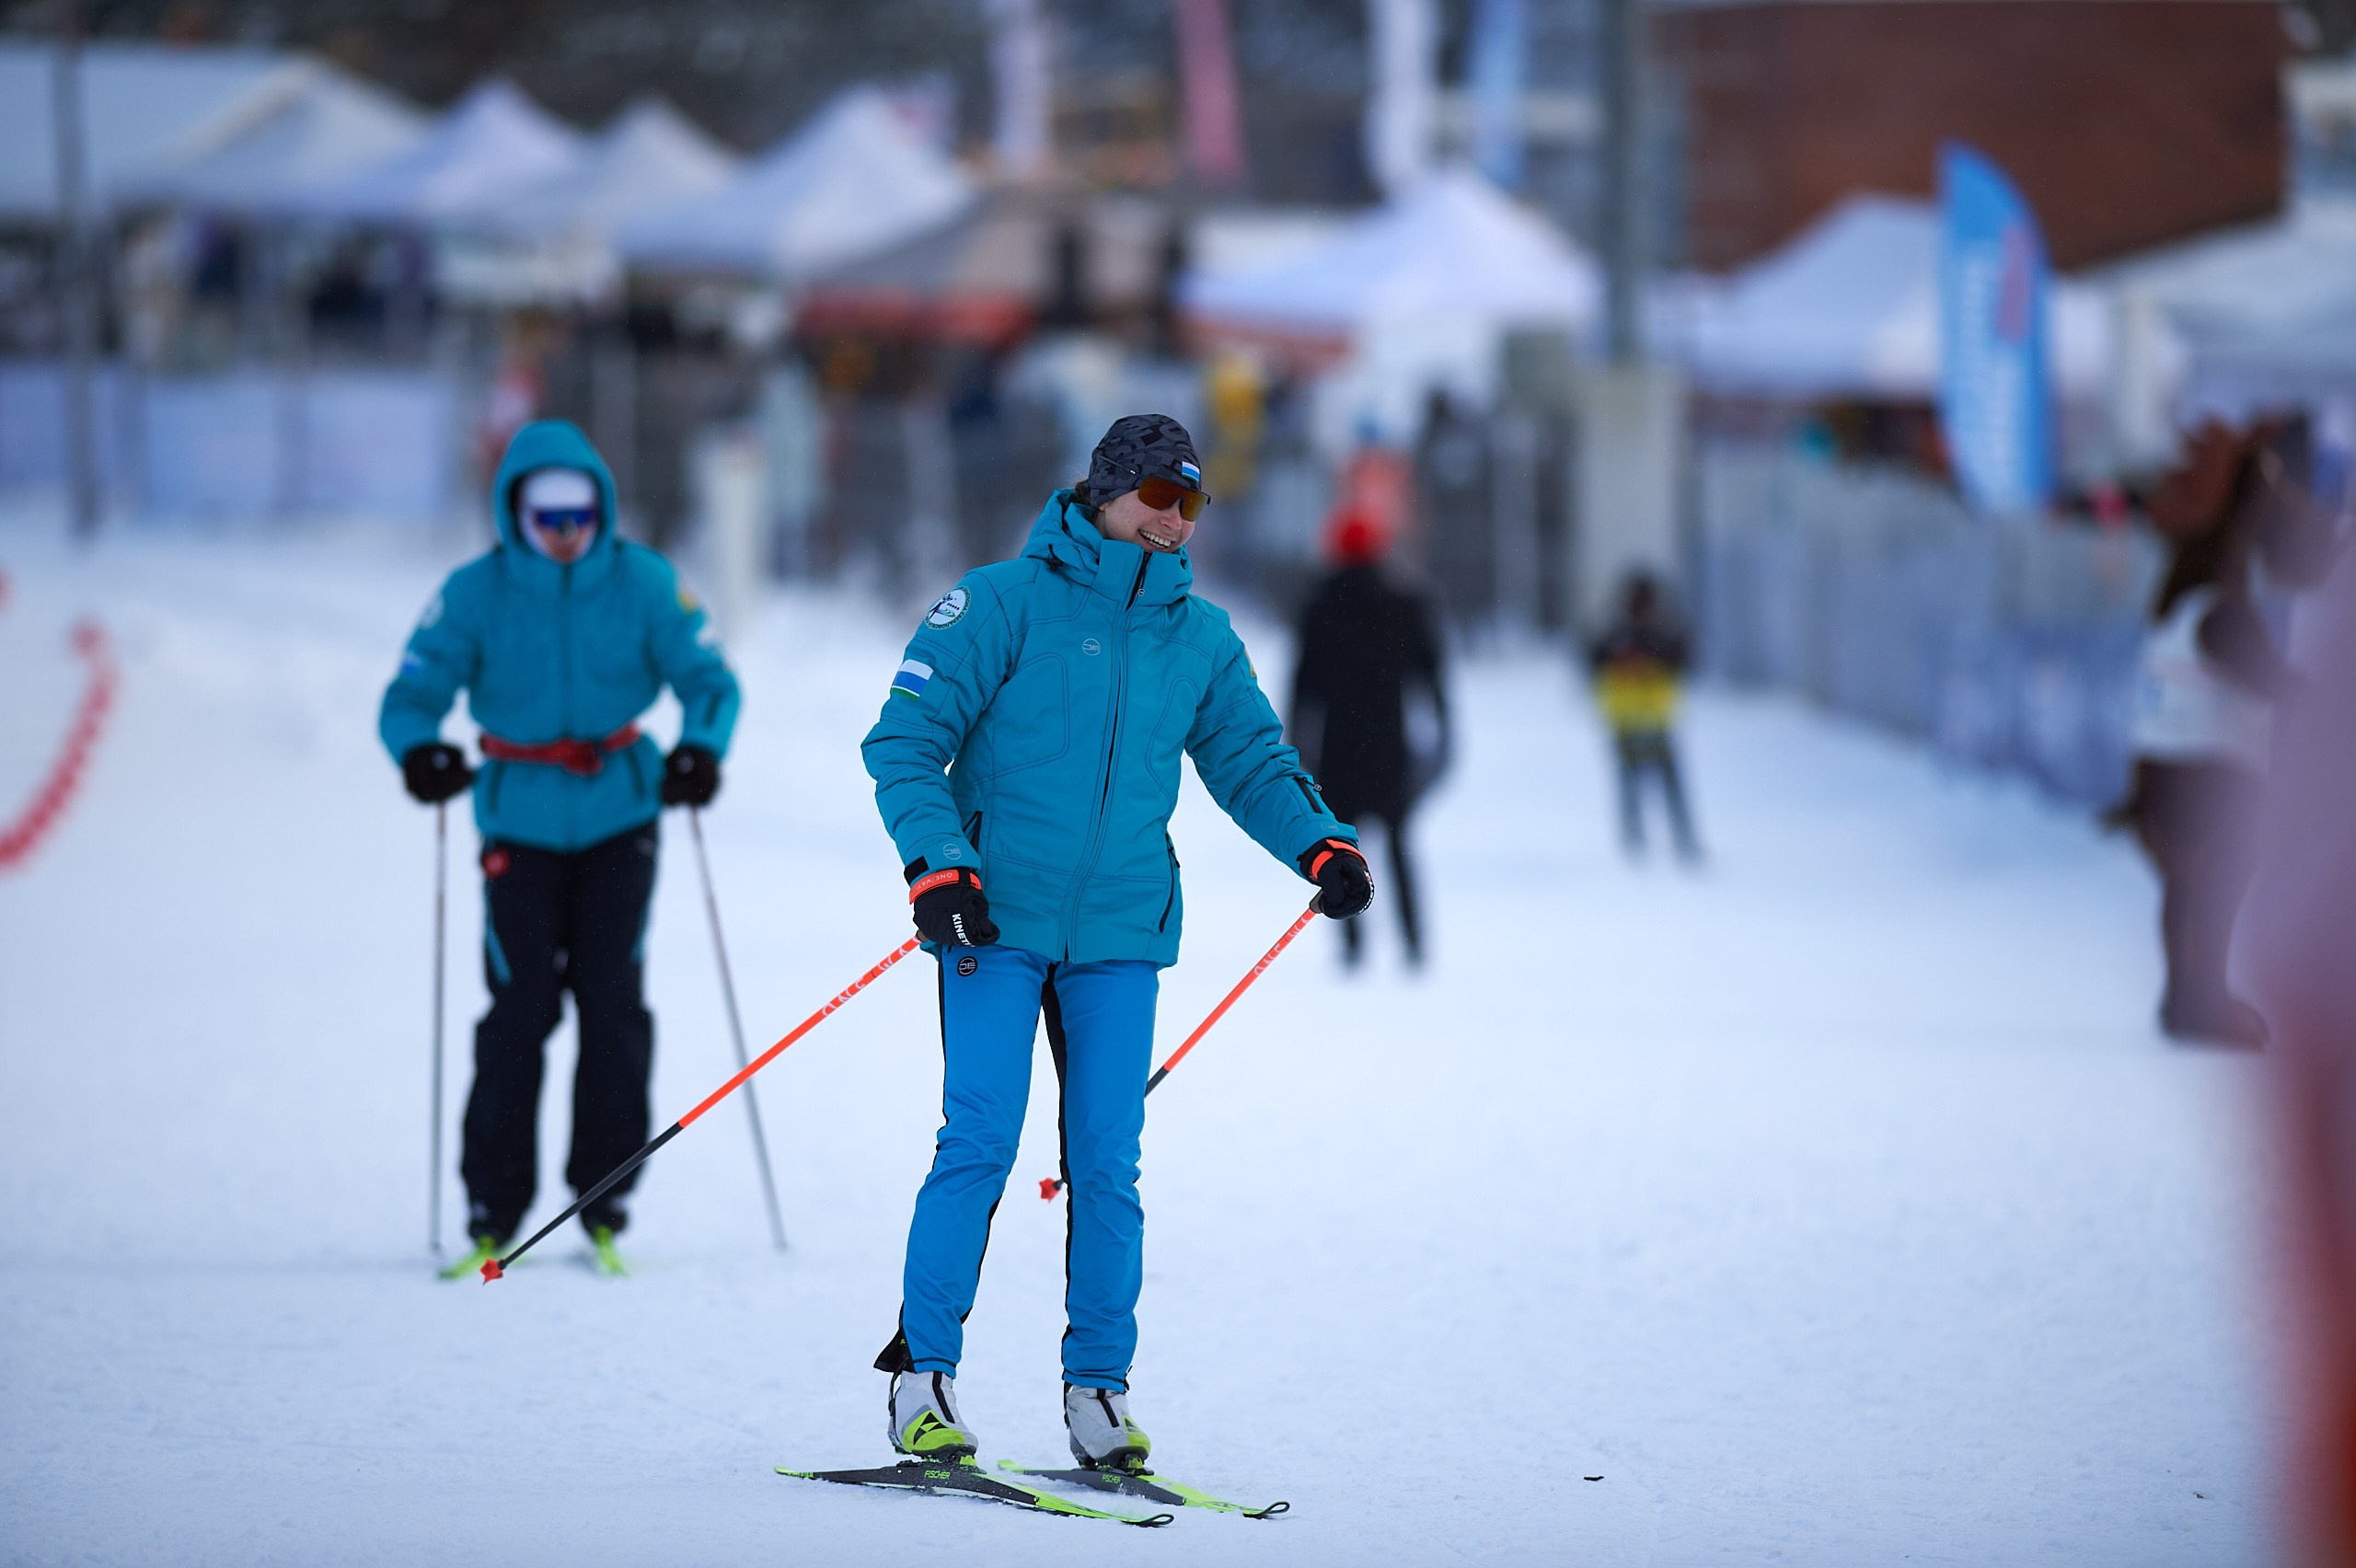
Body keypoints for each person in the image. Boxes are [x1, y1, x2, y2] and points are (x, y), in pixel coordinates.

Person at [860, 414, 1370, 1470]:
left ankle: (1098, 1392)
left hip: (1121, 930)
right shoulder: (999, 601)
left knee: (1106, 1161)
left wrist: (1319, 844)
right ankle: (924, 1376)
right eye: (1154, 498)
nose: (1170, 522)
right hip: (992, 919)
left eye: (1190, 505)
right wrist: (937, 865)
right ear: (1103, 491)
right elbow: (905, 741)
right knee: (980, 1139)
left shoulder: (1198, 635)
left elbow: (1251, 760)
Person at [380, 420, 740, 1277]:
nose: (565, 530)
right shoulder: (477, 591)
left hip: (622, 811)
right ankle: (490, 1210)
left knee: (613, 1001)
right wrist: (420, 748)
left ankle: (605, 1197)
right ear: (516, 511)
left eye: (579, 511)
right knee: (521, 1008)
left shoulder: (644, 581)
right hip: (519, 823)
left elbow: (708, 679)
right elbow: (414, 688)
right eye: (546, 513)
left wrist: (700, 746)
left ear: (600, 507)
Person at [2108, 421, 2304, 1047]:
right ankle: (2202, 995)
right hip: (2206, 772)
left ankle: (2185, 993)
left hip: (2163, 769)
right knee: (2214, 883)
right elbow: (2268, 678)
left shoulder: (2178, 602)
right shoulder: (2221, 610)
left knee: (2186, 885)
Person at [1288, 507, 1449, 968]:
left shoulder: (1320, 607)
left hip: (1338, 748)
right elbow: (1431, 673)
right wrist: (1441, 730)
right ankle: (1414, 941)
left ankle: (1352, 944)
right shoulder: (1402, 603)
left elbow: (1304, 687)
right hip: (1388, 746)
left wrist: (1299, 747)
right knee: (1400, 843)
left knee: (1342, 848)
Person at [1588, 572, 1702, 861]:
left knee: (1664, 782)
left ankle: (1677, 836)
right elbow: (1592, 661)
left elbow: (1684, 660)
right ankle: (1636, 838)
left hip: (1655, 718)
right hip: (1628, 718)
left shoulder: (1661, 634)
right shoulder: (1617, 635)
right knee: (1635, 782)